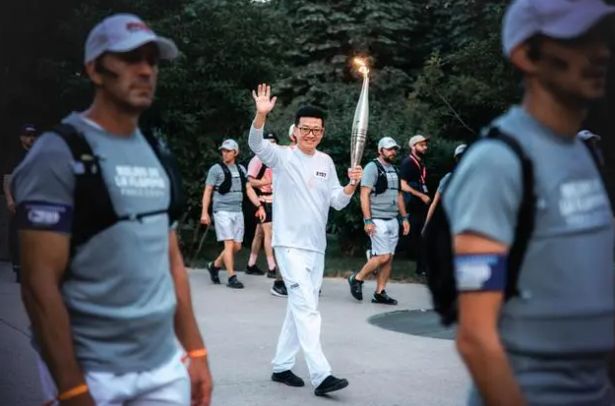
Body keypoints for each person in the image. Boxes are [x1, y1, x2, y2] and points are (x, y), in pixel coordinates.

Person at [11, 14, 212, 405]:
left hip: (163, 368)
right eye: (130, 58)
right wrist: (72, 387)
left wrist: (196, 351)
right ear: (94, 70)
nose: (146, 70)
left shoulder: (155, 149)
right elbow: (38, 284)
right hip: (92, 371)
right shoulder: (57, 153)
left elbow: (170, 260)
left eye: (152, 60)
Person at [443, 1, 615, 404]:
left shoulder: (583, 154)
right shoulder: (499, 162)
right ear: (526, 55)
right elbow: (475, 338)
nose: (600, 52)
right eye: (577, 39)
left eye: (601, 38)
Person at [249, 84, 362, 396]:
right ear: (295, 131)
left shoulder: (326, 162)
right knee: (307, 309)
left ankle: (281, 366)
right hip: (289, 246)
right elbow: (255, 143)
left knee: (298, 309)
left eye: (316, 130)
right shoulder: (282, 157)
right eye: (305, 129)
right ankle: (321, 375)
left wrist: (352, 185)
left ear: (322, 133)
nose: (310, 134)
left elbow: (337, 201)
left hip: (316, 248)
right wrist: (261, 115)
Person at [348, 136, 410, 305]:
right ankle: (357, 278)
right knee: (383, 256)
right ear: (380, 150)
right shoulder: (372, 167)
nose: (392, 152)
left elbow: (398, 195)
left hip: (392, 219)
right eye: (389, 149)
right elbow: (364, 195)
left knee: (389, 258)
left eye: (394, 149)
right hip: (377, 219)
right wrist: (368, 220)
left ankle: (380, 293)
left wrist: (404, 217)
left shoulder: (395, 169)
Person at [201, 139, 266, 289]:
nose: (225, 153)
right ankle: (232, 277)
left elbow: (248, 189)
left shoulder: (241, 169)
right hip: (222, 210)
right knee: (229, 244)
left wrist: (259, 206)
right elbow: (208, 191)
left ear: (235, 152)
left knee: (237, 246)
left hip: (237, 210)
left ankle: (214, 265)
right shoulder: (216, 169)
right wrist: (204, 212)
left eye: (228, 151)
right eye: (223, 151)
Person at [246, 131, 288, 296]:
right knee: (269, 233)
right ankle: (272, 267)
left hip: (275, 200)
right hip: (263, 201)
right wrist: (264, 183)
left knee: (259, 234)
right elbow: (250, 182)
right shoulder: (258, 159)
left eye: (273, 142)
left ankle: (251, 264)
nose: (271, 145)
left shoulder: (277, 159)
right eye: (268, 142)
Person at [3, 123, 38, 283]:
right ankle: (19, 269)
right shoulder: (15, 157)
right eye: (28, 136)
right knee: (17, 237)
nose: (31, 139)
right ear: (21, 138)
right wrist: (10, 199)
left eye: (33, 136)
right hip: (19, 202)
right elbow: (7, 179)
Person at [399, 134, 430, 275]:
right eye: (421, 145)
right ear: (413, 146)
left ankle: (422, 268)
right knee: (411, 237)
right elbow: (402, 185)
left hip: (420, 206)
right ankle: (375, 253)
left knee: (422, 237)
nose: (425, 147)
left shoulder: (421, 163)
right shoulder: (408, 163)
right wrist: (421, 195)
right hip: (412, 206)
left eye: (425, 145)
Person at [423, 144, 466, 233]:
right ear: (456, 159)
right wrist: (426, 226)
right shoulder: (448, 178)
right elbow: (434, 203)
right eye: (460, 157)